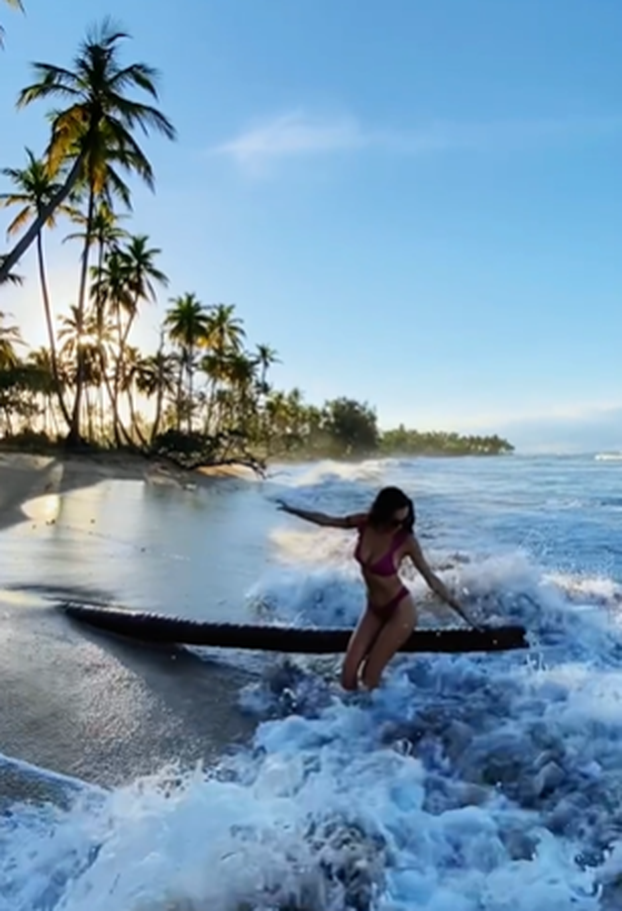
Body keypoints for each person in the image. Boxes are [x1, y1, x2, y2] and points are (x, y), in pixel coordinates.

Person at [276, 485, 477, 691]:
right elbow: (328, 520)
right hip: (373, 609)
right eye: (395, 521)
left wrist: (462, 613)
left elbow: (431, 579)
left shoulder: (406, 540)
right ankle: (351, 716)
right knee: (347, 678)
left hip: (400, 611)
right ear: (382, 513)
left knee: (369, 677)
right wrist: (293, 510)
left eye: (404, 521)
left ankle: (377, 717)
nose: (400, 526)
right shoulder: (364, 523)